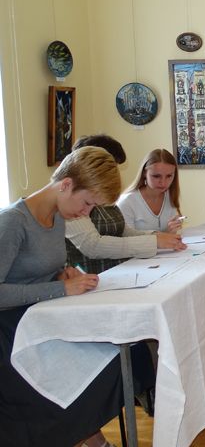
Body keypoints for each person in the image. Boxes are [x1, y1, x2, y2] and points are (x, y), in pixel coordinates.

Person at [0, 147, 123, 447]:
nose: (87, 212)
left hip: (36, 319)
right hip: (9, 333)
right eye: (87, 203)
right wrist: (61, 288)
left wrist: (62, 275)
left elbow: (36, 273)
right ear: (66, 184)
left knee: (112, 359)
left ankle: (89, 437)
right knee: (86, 371)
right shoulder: (13, 222)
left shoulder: (57, 218)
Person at [66, 135, 185, 274]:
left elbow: (123, 231)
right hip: (92, 274)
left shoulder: (105, 198)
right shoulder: (72, 201)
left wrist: (157, 236)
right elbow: (93, 246)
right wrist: (154, 241)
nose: (114, 175)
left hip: (119, 271)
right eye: (110, 169)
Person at [118, 149, 183, 232]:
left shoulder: (170, 196)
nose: (163, 182)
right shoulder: (127, 202)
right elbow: (127, 239)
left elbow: (172, 234)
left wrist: (172, 230)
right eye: (156, 176)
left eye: (169, 176)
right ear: (144, 173)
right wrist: (167, 235)